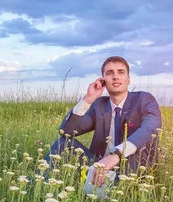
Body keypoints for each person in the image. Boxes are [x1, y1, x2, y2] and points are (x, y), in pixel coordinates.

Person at [46, 56, 162, 186]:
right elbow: (65, 131)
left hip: (132, 167)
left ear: (128, 79)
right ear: (103, 81)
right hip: (99, 164)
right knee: (63, 143)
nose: (115, 77)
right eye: (109, 73)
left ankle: (113, 191)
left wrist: (117, 154)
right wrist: (88, 99)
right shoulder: (99, 105)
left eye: (121, 72)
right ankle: (34, 187)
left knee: (129, 167)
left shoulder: (144, 99)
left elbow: (151, 127)